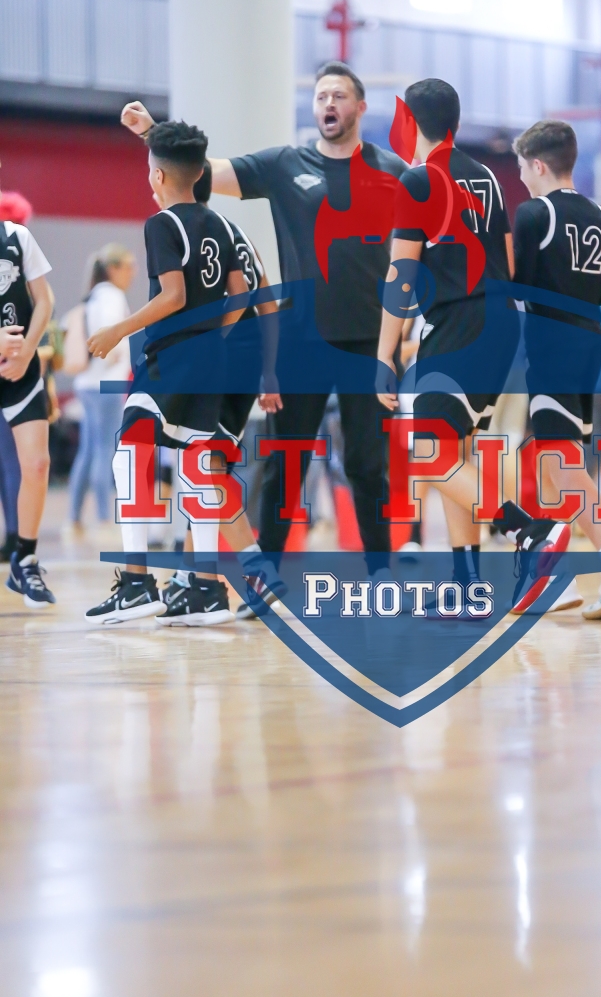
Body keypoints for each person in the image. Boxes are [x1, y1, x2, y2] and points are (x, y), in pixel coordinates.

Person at [119, 62, 406, 596]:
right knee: (284, 461)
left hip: (370, 342)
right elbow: (200, 171)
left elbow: (417, 252)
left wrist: (404, 335)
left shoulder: (394, 170)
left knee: (368, 464)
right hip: (300, 341)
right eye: (321, 95)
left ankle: (380, 572)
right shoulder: (283, 165)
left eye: (339, 95)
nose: (329, 103)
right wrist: (152, 133)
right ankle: (266, 579)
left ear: (361, 107)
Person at [377, 81, 569, 612]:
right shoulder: (485, 176)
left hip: (460, 322)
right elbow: (506, 257)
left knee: (430, 454)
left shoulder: (419, 178)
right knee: (454, 451)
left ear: (408, 121)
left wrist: (383, 354)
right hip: (500, 320)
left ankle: (528, 531)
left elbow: (401, 273)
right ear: (455, 123)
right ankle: (466, 584)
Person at [84, 120, 248, 626]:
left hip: (171, 357)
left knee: (129, 451)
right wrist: (212, 337)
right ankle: (207, 589)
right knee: (197, 464)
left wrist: (119, 330)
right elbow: (241, 293)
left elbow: (172, 296)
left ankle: (136, 585)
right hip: (211, 359)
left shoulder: (161, 224)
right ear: (200, 172)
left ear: (156, 176)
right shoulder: (223, 226)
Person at [509, 120, 601, 620]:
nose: (521, 178)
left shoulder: (534, 213)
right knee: (559, 457)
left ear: (538, 165)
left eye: (522, 168)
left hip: (552, 345)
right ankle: (555, 578)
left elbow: (520, 288)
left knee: (560, 461)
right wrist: (587, 299)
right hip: (590, 343)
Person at [159, 161, 279, 619]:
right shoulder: (237, 233)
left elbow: (239, 295)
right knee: (205, 466)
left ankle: (251, 571)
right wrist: (270, 370)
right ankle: (196, 578)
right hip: (246, 362)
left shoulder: (187, 232)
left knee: (204, 469)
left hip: (219, 360)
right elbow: (267, 300)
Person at [0, 211, 57, 606]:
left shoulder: (17, 237)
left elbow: (44, 301)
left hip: (20, 372)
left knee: (36, 465)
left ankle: (25, 558)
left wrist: (26, 351)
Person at [68, 244, 137, 528]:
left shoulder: (93, 296)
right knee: (105, 450)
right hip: (106, 384)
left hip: (85, 383)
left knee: (88, 451)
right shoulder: (112, 296)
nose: (133, 273)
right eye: (129, 267)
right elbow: (111, 337)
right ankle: (104, 518)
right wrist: (118, 354)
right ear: (113, 269)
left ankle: (74, 518)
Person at [0, 165, 32, 563]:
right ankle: (15, 535)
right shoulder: (22, 272)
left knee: (10, 460)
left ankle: (14, 535)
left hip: (15, 369)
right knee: (12, 460)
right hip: (17, 371)